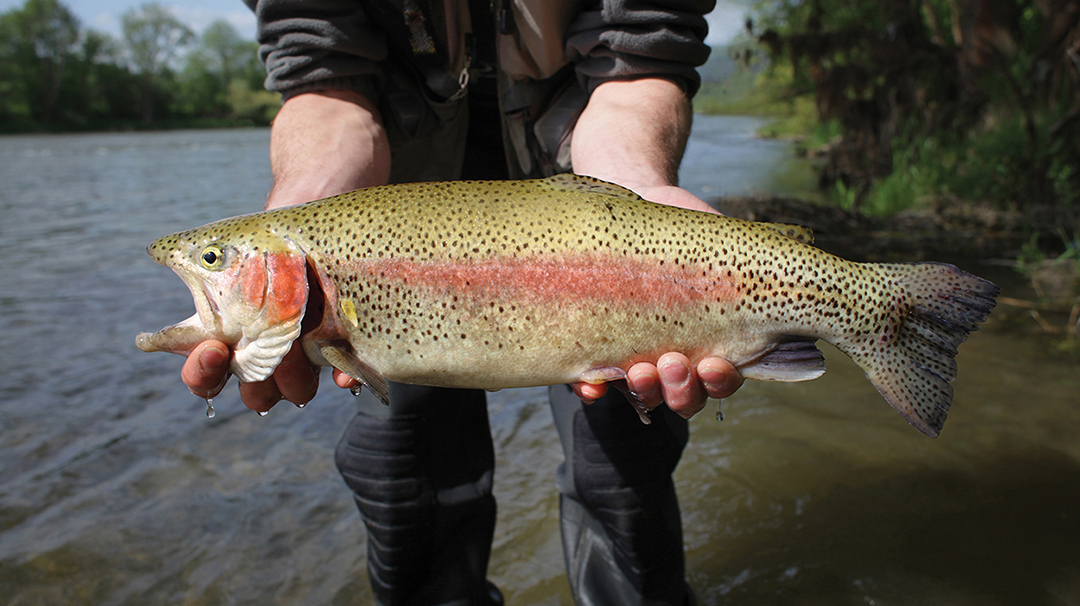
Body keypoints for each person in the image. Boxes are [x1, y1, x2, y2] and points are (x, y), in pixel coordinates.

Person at [182, 1, 744, 604]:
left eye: (212, 260)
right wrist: (305, 203)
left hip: (587, 189)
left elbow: (636, 58)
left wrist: (641, 192)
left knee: (623, 471)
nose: (203, 268)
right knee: (401, 477)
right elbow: (325, 78)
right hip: (392, 232)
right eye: (214, 262)